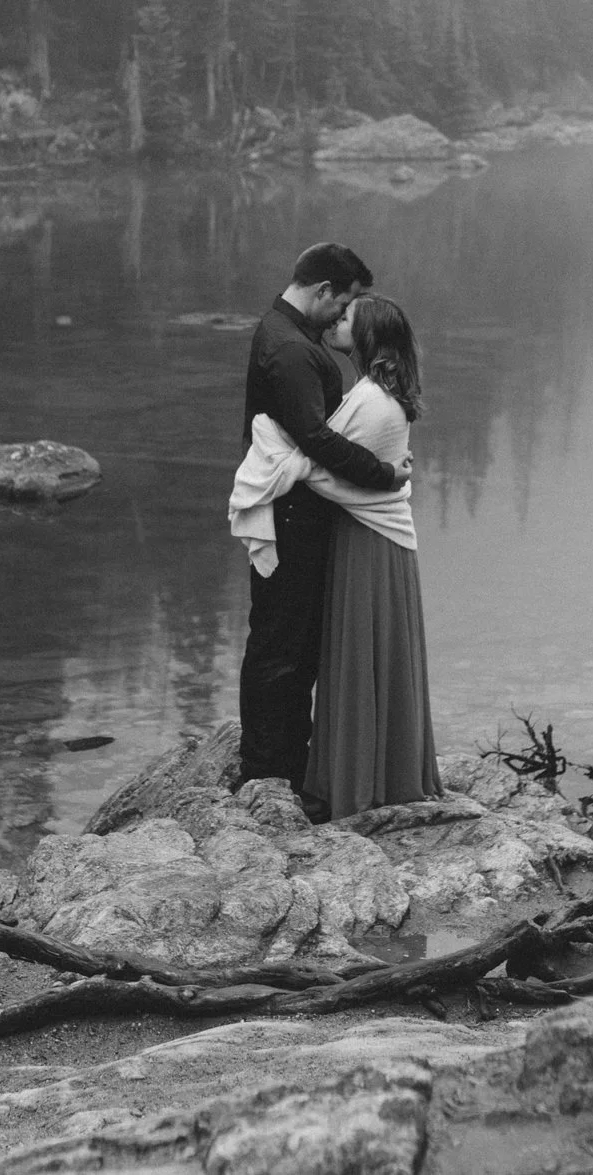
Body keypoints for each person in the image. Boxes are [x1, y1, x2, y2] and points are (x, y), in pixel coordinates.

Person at [235, 242, 406, 811]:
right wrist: (383, 476)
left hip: (296, 515)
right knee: (282, 646)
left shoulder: (288, 337)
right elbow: (316, 439)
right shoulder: (290, 350)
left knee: (293, 643)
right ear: (324, 291)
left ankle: (283, 765)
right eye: (346, 303)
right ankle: (266, 772)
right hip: (290, 518)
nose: (343, 316)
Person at [304, 296, 441, 821]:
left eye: (347, 319)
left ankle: (360, 784)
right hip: (376, 539)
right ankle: (378, 772)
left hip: (368, 541)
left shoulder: (370, 400)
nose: (337, 321)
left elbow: (329, 474)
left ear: (367, 338)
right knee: (370, 656)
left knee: (362, 655)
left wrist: (281, 457)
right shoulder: (380, 394)